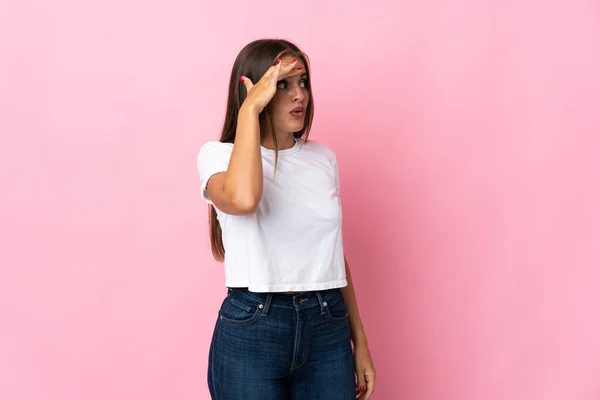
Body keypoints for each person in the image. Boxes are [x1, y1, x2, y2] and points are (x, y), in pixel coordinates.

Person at [197, 38, 376, 399]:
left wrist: (360, 341)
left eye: (304, 82)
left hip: (328, 325)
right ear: (255, 89)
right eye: (283, 84)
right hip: (254, 325)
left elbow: (332, 256)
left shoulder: (323, 159)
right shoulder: (218, 157)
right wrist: (249, 112)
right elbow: (244, 199)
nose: (300, 96)